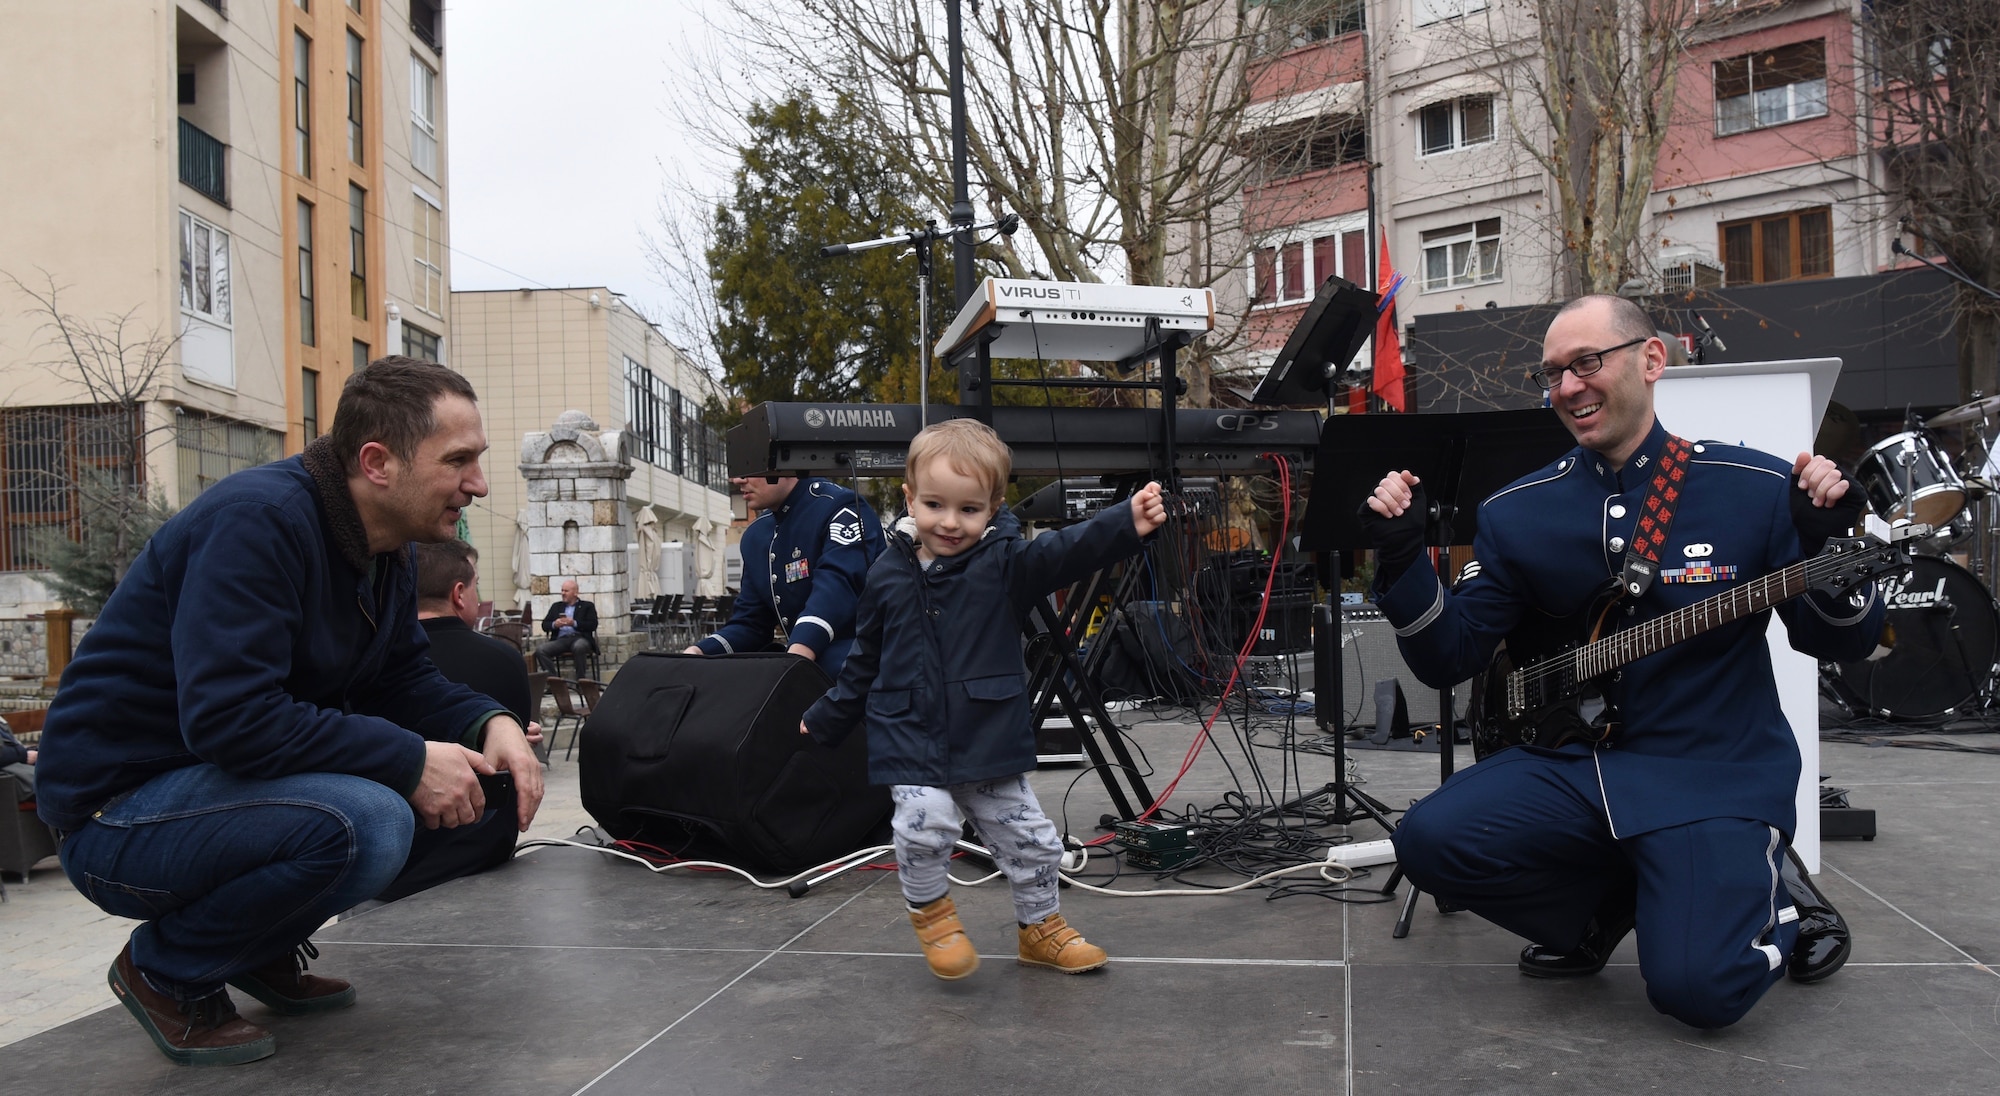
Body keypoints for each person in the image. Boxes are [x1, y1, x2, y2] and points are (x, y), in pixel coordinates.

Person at [1359, 294, 1879, 1029]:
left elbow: (1842, 643)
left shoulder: (1755, 489)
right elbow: (1450, 657)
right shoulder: (1515, 512)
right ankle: (1606, 907)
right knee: (1430, 841)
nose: (1568, 387)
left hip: (1713, 772)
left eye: (1587, 363)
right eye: (1553, 373)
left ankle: (1774, 895)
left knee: (1699, 993)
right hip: (1581, 768)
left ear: (1653, 359)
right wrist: (1405, 558)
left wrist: (1828, 549)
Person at [35, 357, 543, 1066]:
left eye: (478, 460)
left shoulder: (385, 547)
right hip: (113, 815)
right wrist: (406, 759)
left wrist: (493, 726)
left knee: (459, 786)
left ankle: (252, 944)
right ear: (377, 463)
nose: (479, 483)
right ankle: (164, 969)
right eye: (458, 460)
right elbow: (228, 719)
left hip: (209, 791)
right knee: (370, 817)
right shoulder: (259, 523)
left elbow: (401, 679)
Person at [800, 419, 1167, 980]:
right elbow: (864, 660)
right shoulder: (884, 573)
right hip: (910, 733)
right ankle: (932, 914)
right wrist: (828, 716)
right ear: (909, 498)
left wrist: (1126, 523)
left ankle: (1040, 930)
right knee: (926, 822)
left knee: (1034, 842)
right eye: (935, 505)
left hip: (986, 733)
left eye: (969, 510)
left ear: (993, 507)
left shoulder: (1004, 564)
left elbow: (1062, 552)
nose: (950, 522)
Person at [382, 539, 547, 902]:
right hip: (483, 857)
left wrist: (503, 727)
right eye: (476, 586)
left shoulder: (372, 660)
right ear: (459, 593)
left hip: (386, 872)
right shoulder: (503, 659)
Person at [686, 474, 886, 676]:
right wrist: (699, 652)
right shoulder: (756, 535)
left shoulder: (839, 507)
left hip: (857, 675)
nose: (737, 480)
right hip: (802, 673)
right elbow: (751, 624)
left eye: (750, 467)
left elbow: (836, 591)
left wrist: (796, 657)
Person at [536, 578, 597, 679]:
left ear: (575, 593)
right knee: (541, 650)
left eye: (566, 591)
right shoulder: (556, 606)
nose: (563, 593)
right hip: (561, 639)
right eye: (562, 590)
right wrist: (555, 624)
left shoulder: (587, 606)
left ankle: (581, 681)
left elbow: (592, 624)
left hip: (580, 637)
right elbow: (544, 625)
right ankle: (554, 682)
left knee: (579, 647)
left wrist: (574, 623)